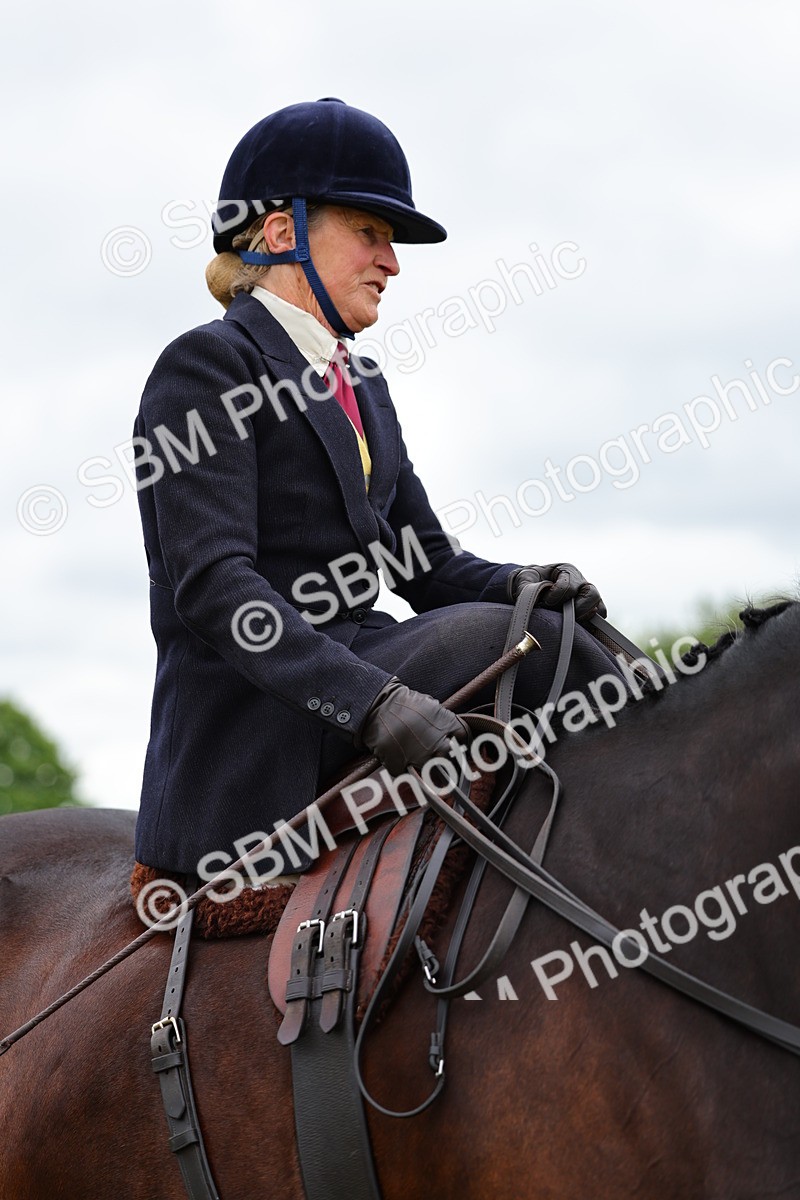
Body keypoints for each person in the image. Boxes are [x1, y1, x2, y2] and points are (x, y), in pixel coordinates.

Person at [132, 98, 622, 880]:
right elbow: (217, 589)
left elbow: (424, 565)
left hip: (368, 664)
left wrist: (523, 582)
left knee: (554, 627)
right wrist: (370, 700)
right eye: (371, 234)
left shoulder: (358, 380)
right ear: (284, 231)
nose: (392, 263)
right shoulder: (205, 367)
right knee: (520, 645)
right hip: (264, 724)